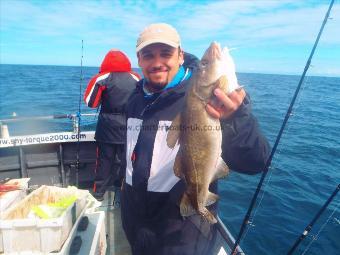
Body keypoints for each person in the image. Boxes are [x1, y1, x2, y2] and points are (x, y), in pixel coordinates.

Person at [120, 23, 270, 255]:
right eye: (148, 55)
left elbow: (255, 162)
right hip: (136, 225)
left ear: (180, 56)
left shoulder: (213, 102)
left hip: (181, 236)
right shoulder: (135, 99)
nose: (157, 62)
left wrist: (236, 119)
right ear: (139, 59)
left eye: (166, 54)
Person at [84, 49, 140, 201]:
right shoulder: (135, 77)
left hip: (106, 129)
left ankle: (98, 193)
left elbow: (91, 103)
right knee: (127, 162)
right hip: (129, 128)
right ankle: (124, 192)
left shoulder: (102, 78)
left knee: (104, 162)